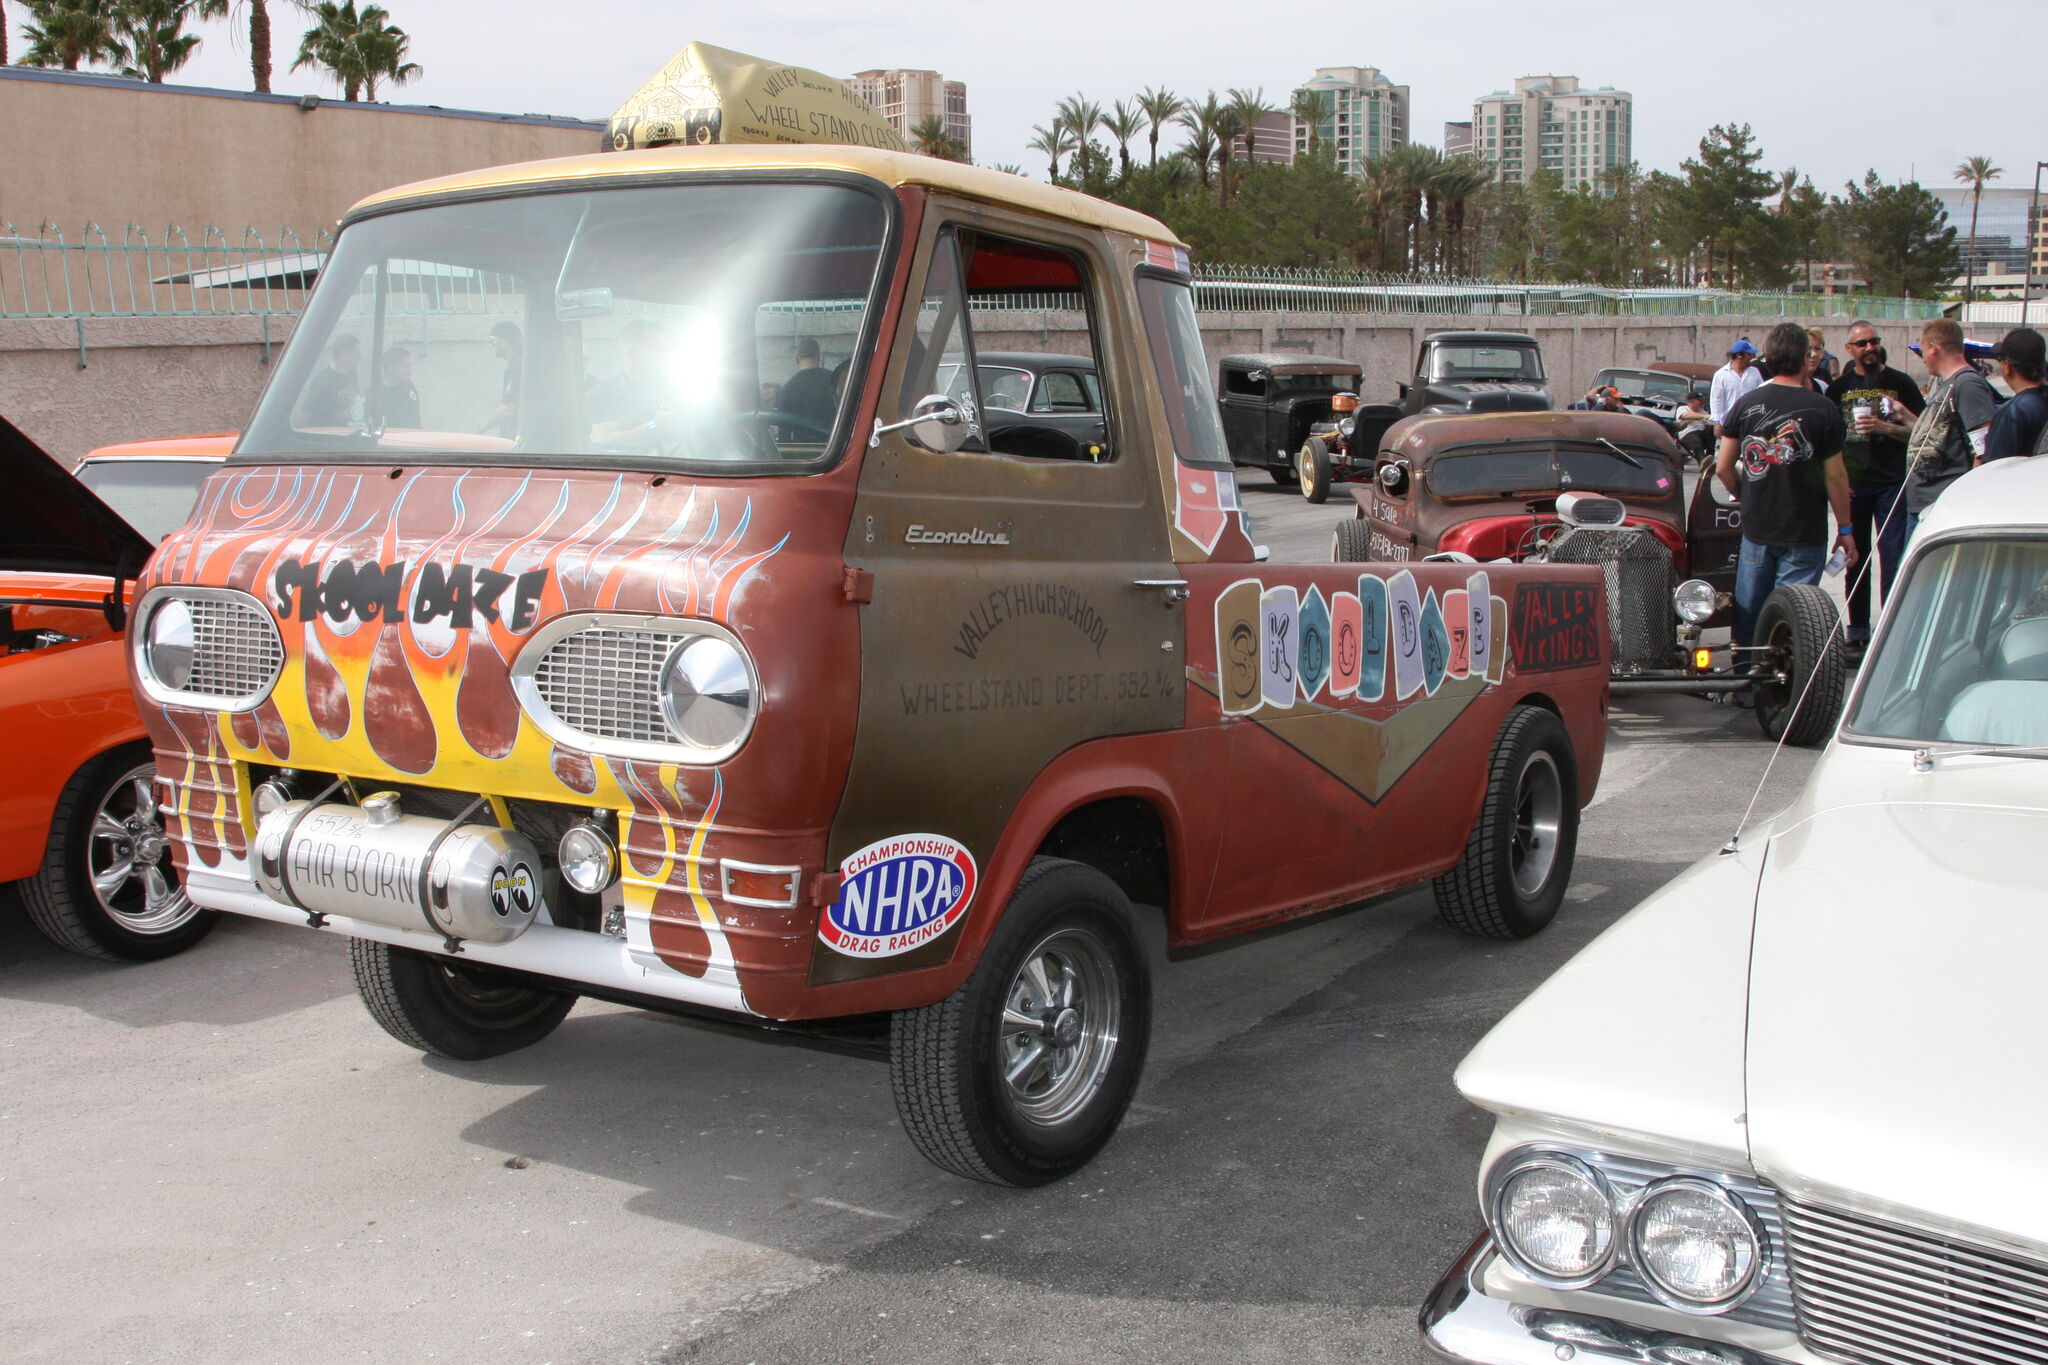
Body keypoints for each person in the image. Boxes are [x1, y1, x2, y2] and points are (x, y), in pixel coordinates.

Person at [1716, 322, 1854, 686]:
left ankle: (1746, 684)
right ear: (1803, 358)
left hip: (1757, 529)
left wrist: (1746, 495)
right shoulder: (1823, 409)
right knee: (1798, 614)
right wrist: (1846, 528)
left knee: (1751, 611)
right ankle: (1787, 686)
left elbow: (1723, 467)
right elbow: (1836, 477)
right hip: (1804, 531)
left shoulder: (1746, 404)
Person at [1825, 322, 1924, 651]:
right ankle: (1858, 630)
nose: (1870, 348)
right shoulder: (1837, 390)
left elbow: (1921, 433)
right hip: (1854, 487)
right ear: (1849, 349)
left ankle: (1892, 630)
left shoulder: (1901, 383)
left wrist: (1885, 427)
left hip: (1891, 483)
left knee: (1894, 557)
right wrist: (1839, 482)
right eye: (1862, 343)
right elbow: (1829, 442)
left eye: (1874, 342)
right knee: (1855, 557)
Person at [1903, 317, 1997, 536]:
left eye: (1923, 349)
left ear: (1933, 348)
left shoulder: (1968, 384)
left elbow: (1983, 447)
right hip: (1924, 503)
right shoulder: (1947, 384)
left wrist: (1967, 497)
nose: (1923, 358)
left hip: (1941, 502)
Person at [586, 320, 670, 445]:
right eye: (656, 348)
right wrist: (654, 426)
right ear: (631, 350)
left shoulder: (672, 388)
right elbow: (601, 440)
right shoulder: (605, 393)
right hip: (629, 463)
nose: (663, 354)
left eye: (664, 348)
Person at [1983, 327, 2048, 461]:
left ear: (2008, 367)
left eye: (2000, 360)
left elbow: (1994, 468)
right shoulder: (2040, 400)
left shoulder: (2012, 413)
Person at [296, 334, 360, 428]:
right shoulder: (323, 380)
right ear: (345, 354)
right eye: (357, 353)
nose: (360, 357)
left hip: (347, 435)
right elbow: (305, 415)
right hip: (328, 437)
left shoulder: (352, 373)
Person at [1709, 337, 1763, 438]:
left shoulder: (1754, 372)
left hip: (1750, 424)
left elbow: (1762, 394)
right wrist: (1716, 422)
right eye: (1749, 354)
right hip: (1729, 425)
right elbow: (1716, 399)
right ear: (1739, 355)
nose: (1752, 357)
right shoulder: (1721, 375)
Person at [778, 336, 836, 427]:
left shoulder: (788, 388)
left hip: (799, 440)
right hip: (833, 439)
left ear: (797, 359)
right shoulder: (835, 380)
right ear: (818, 357)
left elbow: (783, 428)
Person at [370, 345, 421, 429]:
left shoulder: (408, 385)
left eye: (409, 366)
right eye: (405, 366)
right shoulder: (376, 392)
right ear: (391, 367)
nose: (410, 371)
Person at [485, 322, 522, 436]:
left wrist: (483, 427)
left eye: (492, 342)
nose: (490, 346)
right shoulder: (518, 365)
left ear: (504, 342)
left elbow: (507, 410)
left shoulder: (517, 368)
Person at [1672, 391, 1714, 458]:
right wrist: (1703, 416)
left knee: (1712, 428)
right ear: (1692, 401)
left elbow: (1710, 422)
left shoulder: (1702, 411)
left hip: (1701, 434)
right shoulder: (1683, 408)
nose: (1703, 403)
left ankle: (1710, 455)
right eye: (1700, 401)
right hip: (1688, 434)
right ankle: (1702, 459)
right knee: (1696, 441)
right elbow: (1685, 416)